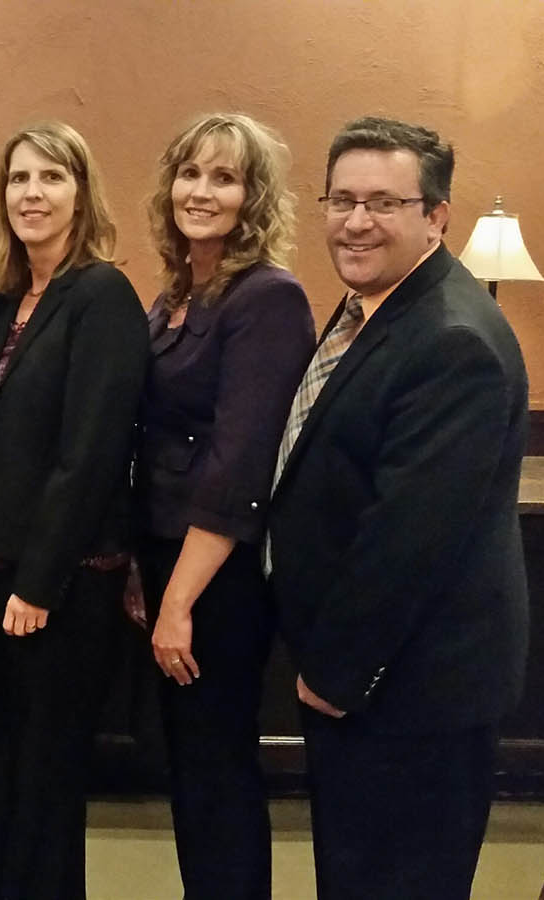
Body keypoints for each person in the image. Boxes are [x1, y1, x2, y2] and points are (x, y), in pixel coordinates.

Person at [267, 116, 529, 900]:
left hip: (411, 693)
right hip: (372, 684)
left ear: (436, 217)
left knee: (397, 881)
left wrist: (335, 676)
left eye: (383, 202)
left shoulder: (452, 340)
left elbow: (408, 542)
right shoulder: (369, 310)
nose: (355, 221)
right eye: (341, 199)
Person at [129, 113, 316, 900]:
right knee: (191, 768)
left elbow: (240, 467)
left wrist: (178, 600)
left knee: (218, 769)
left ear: (255, 198)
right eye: (191, 173)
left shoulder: (268, 299)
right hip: (170, 557)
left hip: (219, 577)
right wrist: (144, 570)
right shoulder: (177, 293)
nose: (201, 192)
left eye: (225, 177)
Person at [0, 122, 148, 900]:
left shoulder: (101, 295)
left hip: (60, 584)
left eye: (52, 178)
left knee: (43, 778)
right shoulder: (8, 296)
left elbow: (90, 456)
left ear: (82, 192)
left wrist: (38, 585)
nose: (32, 194)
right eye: (18, 179)